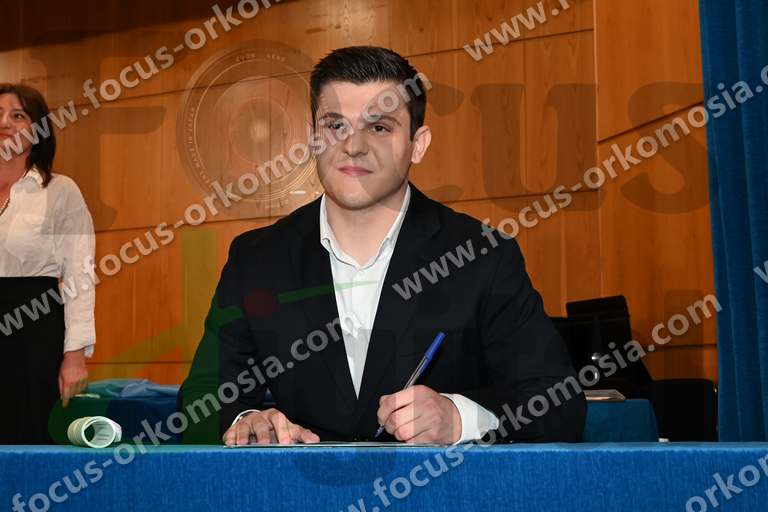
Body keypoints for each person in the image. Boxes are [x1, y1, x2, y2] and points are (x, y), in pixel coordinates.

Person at [179, 46, 586, 445]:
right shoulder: (256, 259)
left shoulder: (483, 255)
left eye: (379, 127)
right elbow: (200, 403)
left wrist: (458, 418)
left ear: (418, 144)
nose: (353, 146)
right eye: (336, 126)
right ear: (312, 138)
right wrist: (245, 421)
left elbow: (560, 404)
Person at [0, 84, 96, 444]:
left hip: (34, 323)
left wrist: (74, 357)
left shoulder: (60, 190)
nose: (4, 122)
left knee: (26, 435)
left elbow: (79, 275)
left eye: (18, 115)